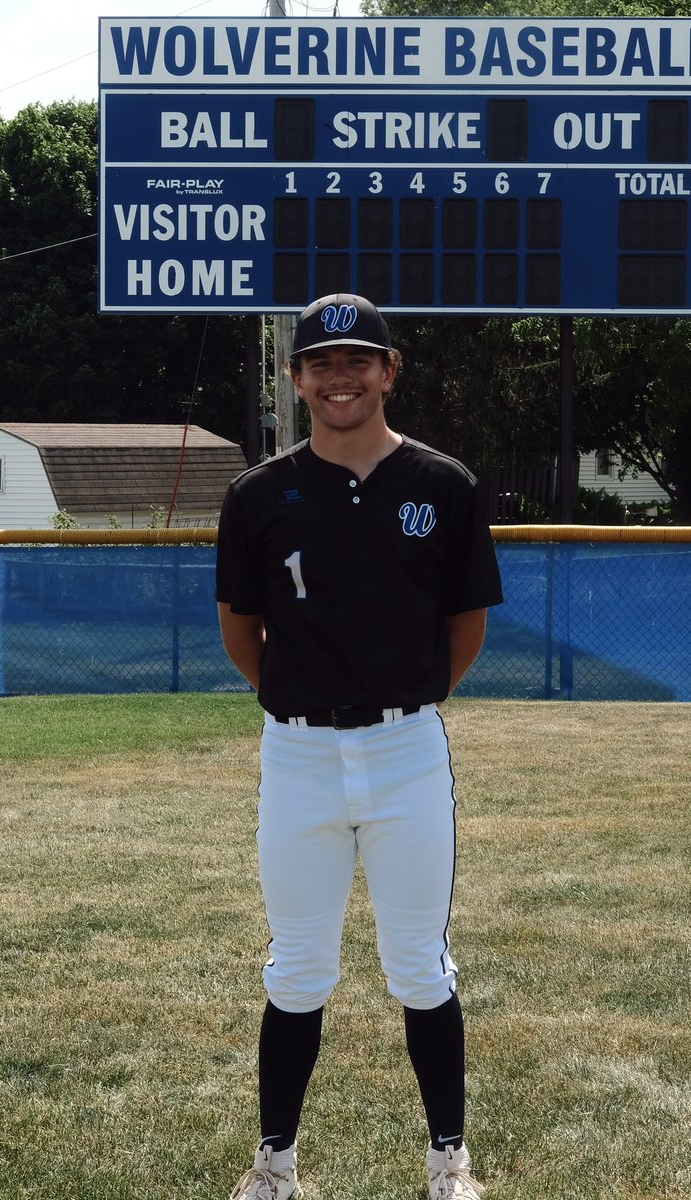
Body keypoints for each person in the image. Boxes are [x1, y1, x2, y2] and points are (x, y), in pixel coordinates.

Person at [215, 293, 503, 1200]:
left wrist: (400, 706)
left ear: (389, 371)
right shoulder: (258, 494)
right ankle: (275, 1164)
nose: (341, 378)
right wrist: (303, 705)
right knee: (298, 968)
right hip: (297, 756)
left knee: (420, 965)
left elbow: (465, 625)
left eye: (358, 360)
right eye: (322, 363)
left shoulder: (441, 484)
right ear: (297, 379)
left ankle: (447, 1158)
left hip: (406, 750)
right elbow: (240, 628)